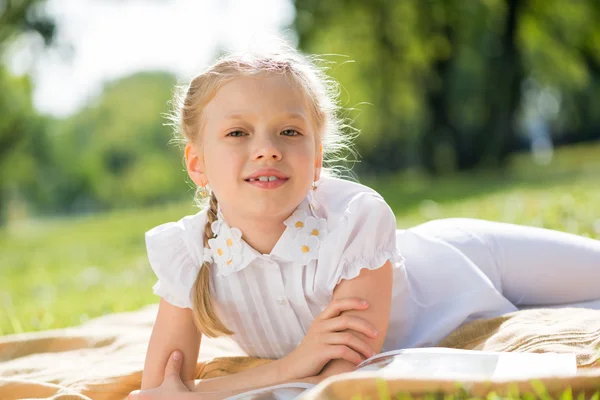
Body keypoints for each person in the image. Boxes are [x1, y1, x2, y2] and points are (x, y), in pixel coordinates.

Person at [128, 44, 600, 400]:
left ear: (316, 161)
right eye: (237, 133)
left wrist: (208, 393)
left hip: (470, 259)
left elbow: (338, 375)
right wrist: (293, 364)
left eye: (290, 131)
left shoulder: (356, 219)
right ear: (197, 164)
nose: (267, 147)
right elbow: (160, 389)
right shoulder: (190, 254)